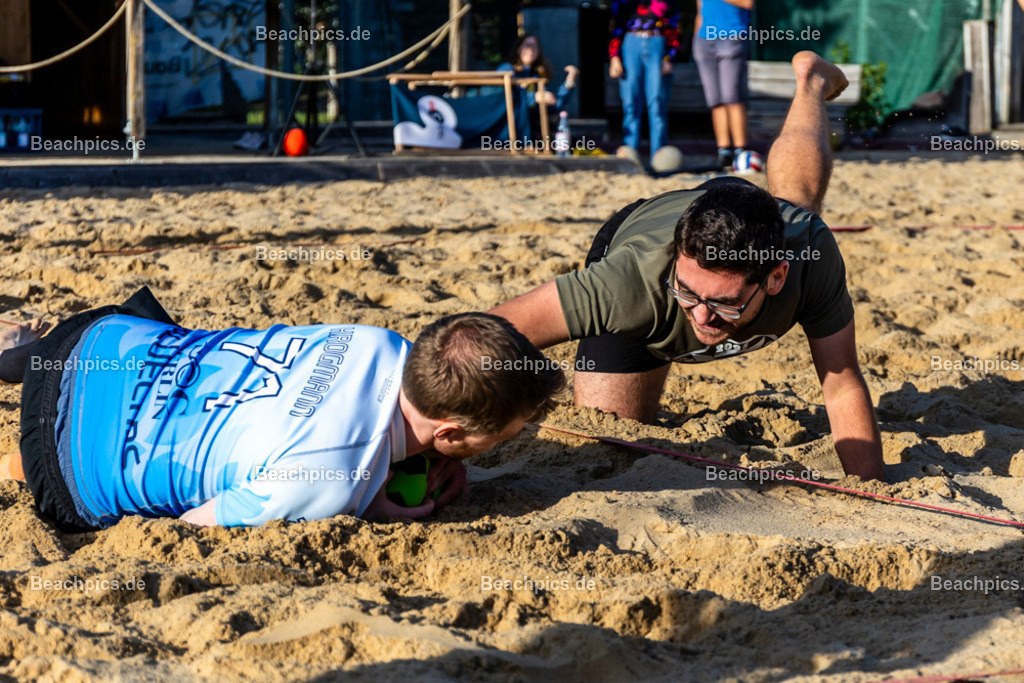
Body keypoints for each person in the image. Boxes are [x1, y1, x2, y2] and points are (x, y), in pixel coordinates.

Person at [490, 52, 885, 482]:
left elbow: (842, 382)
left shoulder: (810, 254)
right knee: (611, 439)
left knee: (797, 205)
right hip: (643, 231)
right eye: (688, 293)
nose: (701, 317)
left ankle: (809, 82)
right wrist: (418, 438)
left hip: (756, 226)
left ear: (776, 277)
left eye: (724, 303)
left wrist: (873, 488)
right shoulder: (629, 281)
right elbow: (483, 336)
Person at [0, 288, 565, 530]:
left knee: (198, 349)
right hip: (69, 462)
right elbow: (195, 527)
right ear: (448, 433)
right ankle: (12, 464)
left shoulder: (374, 340)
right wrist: (363, 503)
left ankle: (19, 353)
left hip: (98, 340)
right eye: (504, 437)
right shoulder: (335, 480)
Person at [609, 0, 680, 162]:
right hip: (630, 43)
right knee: (630, 104)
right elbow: (616, 25)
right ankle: (630, 156)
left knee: (657, 103)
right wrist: (614, 57)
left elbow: (674, 24)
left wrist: (670, 57)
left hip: (657, 42)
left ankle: (659, 157)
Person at [693, 0, 754, 169]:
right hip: (704, 41)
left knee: (731, 96)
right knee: (715, 99)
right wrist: (696, 36)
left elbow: (748, 3)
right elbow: (701, 9)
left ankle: (741, 150)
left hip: (731, 36)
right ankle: (724, 150)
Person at [498, 34, 579, 113]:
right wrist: (534, 97)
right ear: (518, 49)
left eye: (535, 46)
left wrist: (570, 81)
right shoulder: (507, 68)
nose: (531, 49)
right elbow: (501, 98)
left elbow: (556, 104)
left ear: (538, 53)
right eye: (527, 45)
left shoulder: (537, 75)